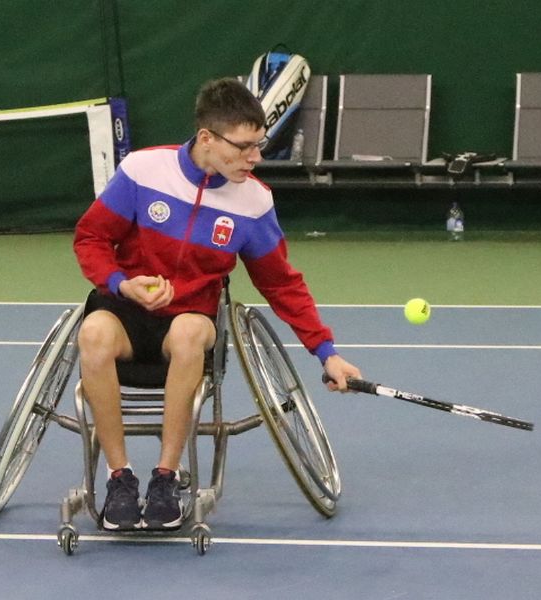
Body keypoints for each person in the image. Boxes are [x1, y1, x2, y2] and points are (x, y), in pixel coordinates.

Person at [72, 78, 362, 531]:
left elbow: (281, 284)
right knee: (91, 334)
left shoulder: (253, 202)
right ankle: (119, 477)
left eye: (260, 145)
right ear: (207, 137)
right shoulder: (144, 170)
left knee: (188, 334)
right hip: (126, 308)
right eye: (244, 147)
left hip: (192, 316)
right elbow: (91, 238)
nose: (255, 157)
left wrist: (326, 352)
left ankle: (166, 478)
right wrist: (122, 284)